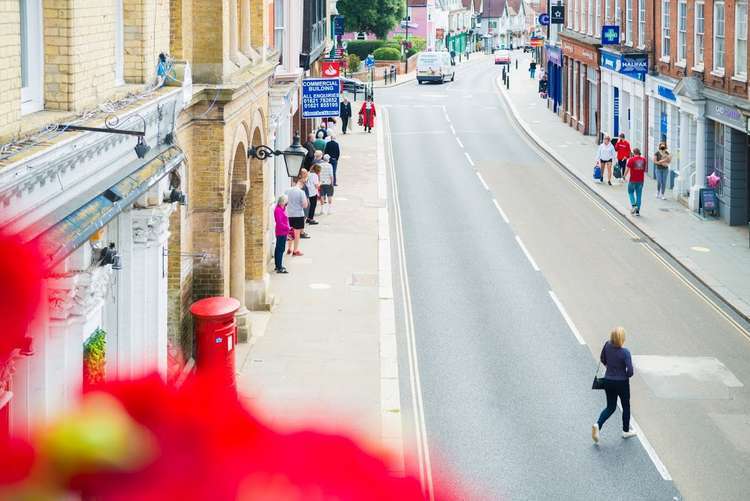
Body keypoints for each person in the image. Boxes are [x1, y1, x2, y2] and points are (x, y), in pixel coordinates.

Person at [592, 327, 637, 444]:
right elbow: (630, 371)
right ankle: (625, 431)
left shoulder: (607, 345)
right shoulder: (625, 352)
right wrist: (624, 375)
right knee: (625, 406)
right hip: (622, 383)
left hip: (608, 381)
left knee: (610, 407)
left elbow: (602, 358)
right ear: (622, 339)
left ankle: (598, 425)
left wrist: (609, 367)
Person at [285, 175, 309, 256]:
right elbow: (305, 205)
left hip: (288, 214)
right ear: (302, 184)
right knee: (296, 233)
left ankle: (289, 248)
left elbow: (285, 202)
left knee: (289, 232)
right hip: (298, 214)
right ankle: (295, 250)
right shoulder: (301, 192)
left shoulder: (287, 191)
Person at [625, 147, 647, 216]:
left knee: (630, 192)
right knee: (639, 195)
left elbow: (627, 169)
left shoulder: (631, 160)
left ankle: (634, 205)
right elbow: (644, 169)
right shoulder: (644, 160)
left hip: (632, 180)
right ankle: (637, 212)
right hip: (641, 180)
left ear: (633, 153)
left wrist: (624, 176)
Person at [273, 195, 290, 273]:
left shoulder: (282, 209)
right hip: (281, 232)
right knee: (280, 249)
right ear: (282, 202)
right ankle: (279, 267)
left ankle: (278, 265)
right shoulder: (278, 210)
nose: (287, 203)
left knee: (279, 249)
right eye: (286, 201)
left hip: (283, 232)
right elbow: (279, 223)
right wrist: (288, 228)